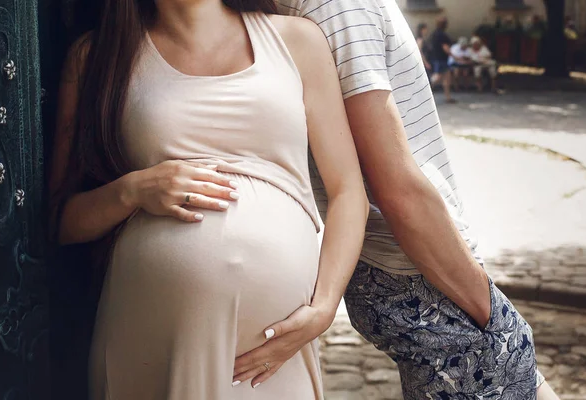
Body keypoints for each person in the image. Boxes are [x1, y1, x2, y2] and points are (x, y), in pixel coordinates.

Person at [233, 0, 563, 399]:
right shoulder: (338, 6)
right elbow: (396, 187)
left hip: (399, 264)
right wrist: (488, 309)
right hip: (415, 266)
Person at [49, 0, 369, 398]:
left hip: (273, 352)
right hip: (153, 336)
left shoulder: (297, 40)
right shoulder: (96, 55)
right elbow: (60, 220)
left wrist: (323, 310)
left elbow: (348, 192)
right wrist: (132, 189)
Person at [429, 16, 456, 103]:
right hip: (442, 59)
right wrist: (454, 56)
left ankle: (448, 97)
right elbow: (445, 48)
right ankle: (425, 88)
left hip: (436, 58)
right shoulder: (442, 35)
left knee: (446, 78)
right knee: (437, 77)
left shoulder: (434, 34)